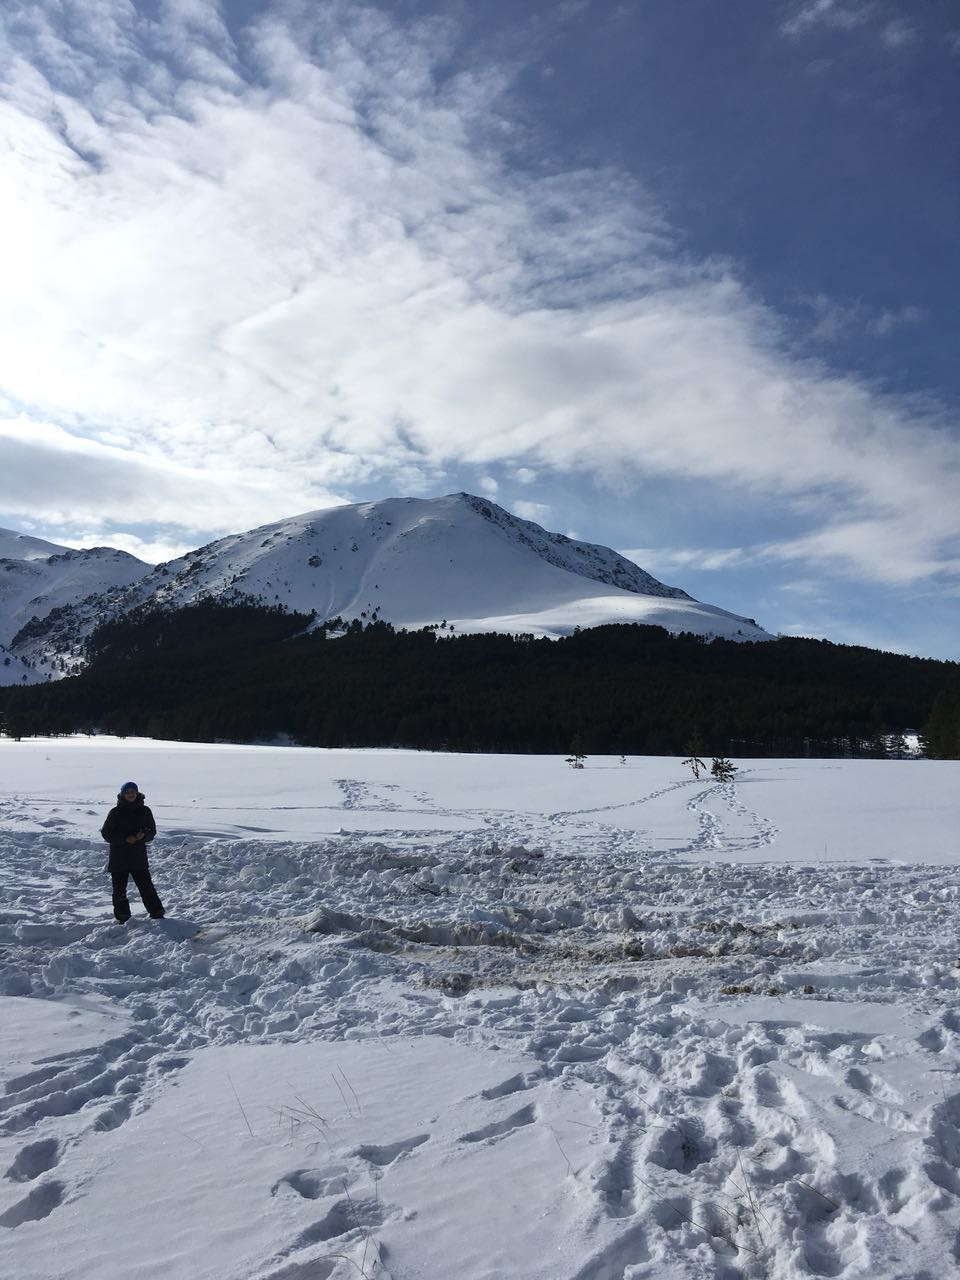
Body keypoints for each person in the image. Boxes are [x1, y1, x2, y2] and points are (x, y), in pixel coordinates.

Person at [100, 781, 165, 922]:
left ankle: (157, 912)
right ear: (123, 794)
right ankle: (122, 916)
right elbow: (106, 833)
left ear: (137, 793)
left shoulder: (145, 811)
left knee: (147, 887)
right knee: (119, 890)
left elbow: (152, 831)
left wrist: (144, 835)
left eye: (132, 792)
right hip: (119, 857)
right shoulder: (115, 812)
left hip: (138, 857)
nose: (130, 794)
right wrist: (124, 839)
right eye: (127, 792)